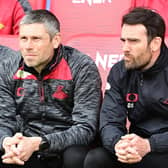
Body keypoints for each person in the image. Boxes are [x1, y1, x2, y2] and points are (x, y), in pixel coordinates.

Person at [0, 9, 102, 168]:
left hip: (66, 148)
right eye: (23, 39)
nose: (28, 46)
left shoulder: (81, 67)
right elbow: (4, 120)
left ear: (55, 40)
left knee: (75, 156)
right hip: (25, 145)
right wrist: (6, 142)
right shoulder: (8, 67)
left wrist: (39, 143)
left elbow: (85, 129)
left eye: (36, 39)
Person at [84, 7, 168, 168]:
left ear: (155, 43)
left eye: (134, 41)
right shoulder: (119, 72)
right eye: (124, 40)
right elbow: (109, 120)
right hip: (135, 146)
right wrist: (118, 144)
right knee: (97, 159)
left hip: (162, 148)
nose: (125, 48)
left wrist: (150, 144)